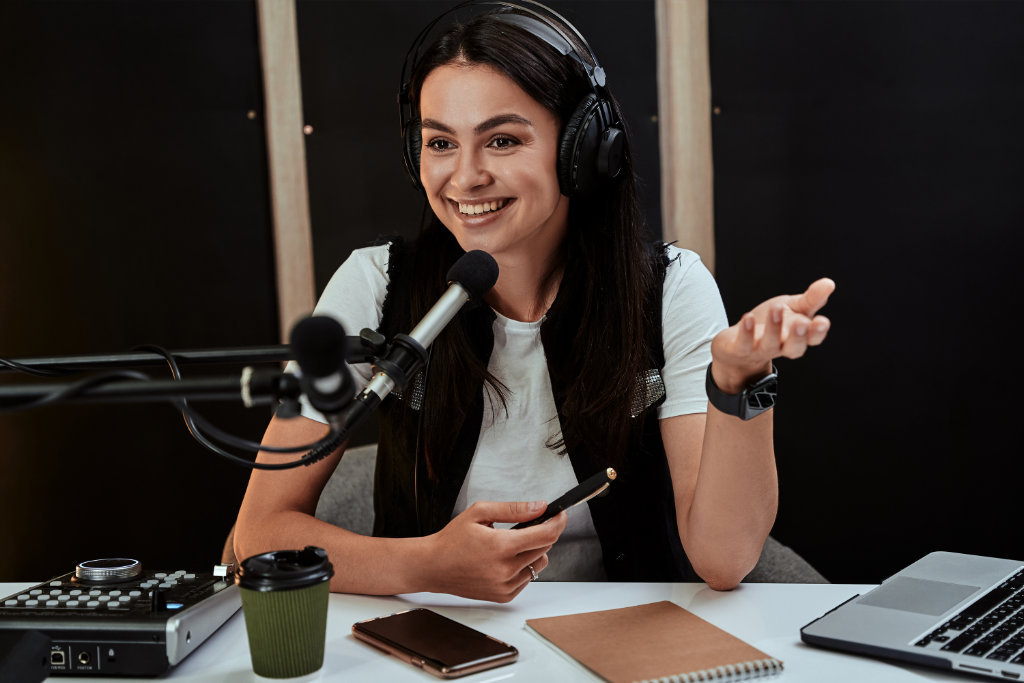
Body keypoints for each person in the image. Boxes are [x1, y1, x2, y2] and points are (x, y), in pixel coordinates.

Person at [233, 1, 834, 603]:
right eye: (440, 142)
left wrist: (738, 380)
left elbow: (724, 561)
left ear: (582, 149)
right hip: (434, 640)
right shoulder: (375, 285)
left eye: (501, 139)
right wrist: (428, 566)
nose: (464, 177)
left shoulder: (670, 288)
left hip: (625, 640)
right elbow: (258, 536)